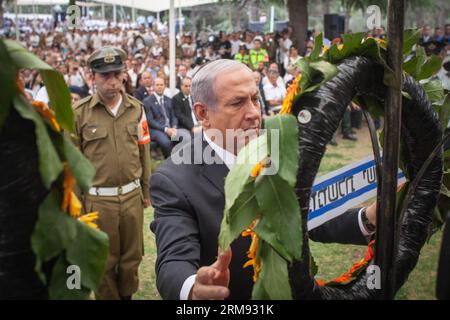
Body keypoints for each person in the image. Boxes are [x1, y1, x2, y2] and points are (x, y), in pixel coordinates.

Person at [150, 59, 377, 300]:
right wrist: (194, 289)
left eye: (255, 99)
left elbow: (305, 214)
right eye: (237, 103)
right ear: (202, 113)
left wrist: (369, 218)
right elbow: (173, 260)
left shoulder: (279, 147)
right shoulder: (174, 179)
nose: (253, 113)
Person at [72, 46, 151, 300]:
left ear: (125, 75)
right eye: (105, 75)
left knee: (132, 259)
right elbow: (71, 165)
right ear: (92, 77)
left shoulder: (136, 109)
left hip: (131, 198)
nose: (112, 81)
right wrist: (76, 207)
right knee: (102, 262)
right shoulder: (79, 113)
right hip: (97, 201)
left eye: (117, 74)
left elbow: (144, 154)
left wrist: (146, 192)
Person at [143, 77, 178, 158]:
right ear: (153, 86)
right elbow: (150, 121)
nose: (159, 87)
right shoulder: (147, 101)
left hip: (170, 128)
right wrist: (166, 129)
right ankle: (169, 162)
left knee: (183, 137)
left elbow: (173, 116)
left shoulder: (168, 99)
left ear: (165, 86)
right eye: (157, 85)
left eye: (161, 85)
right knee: (166, 143)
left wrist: (174, 127)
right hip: (156, 129)